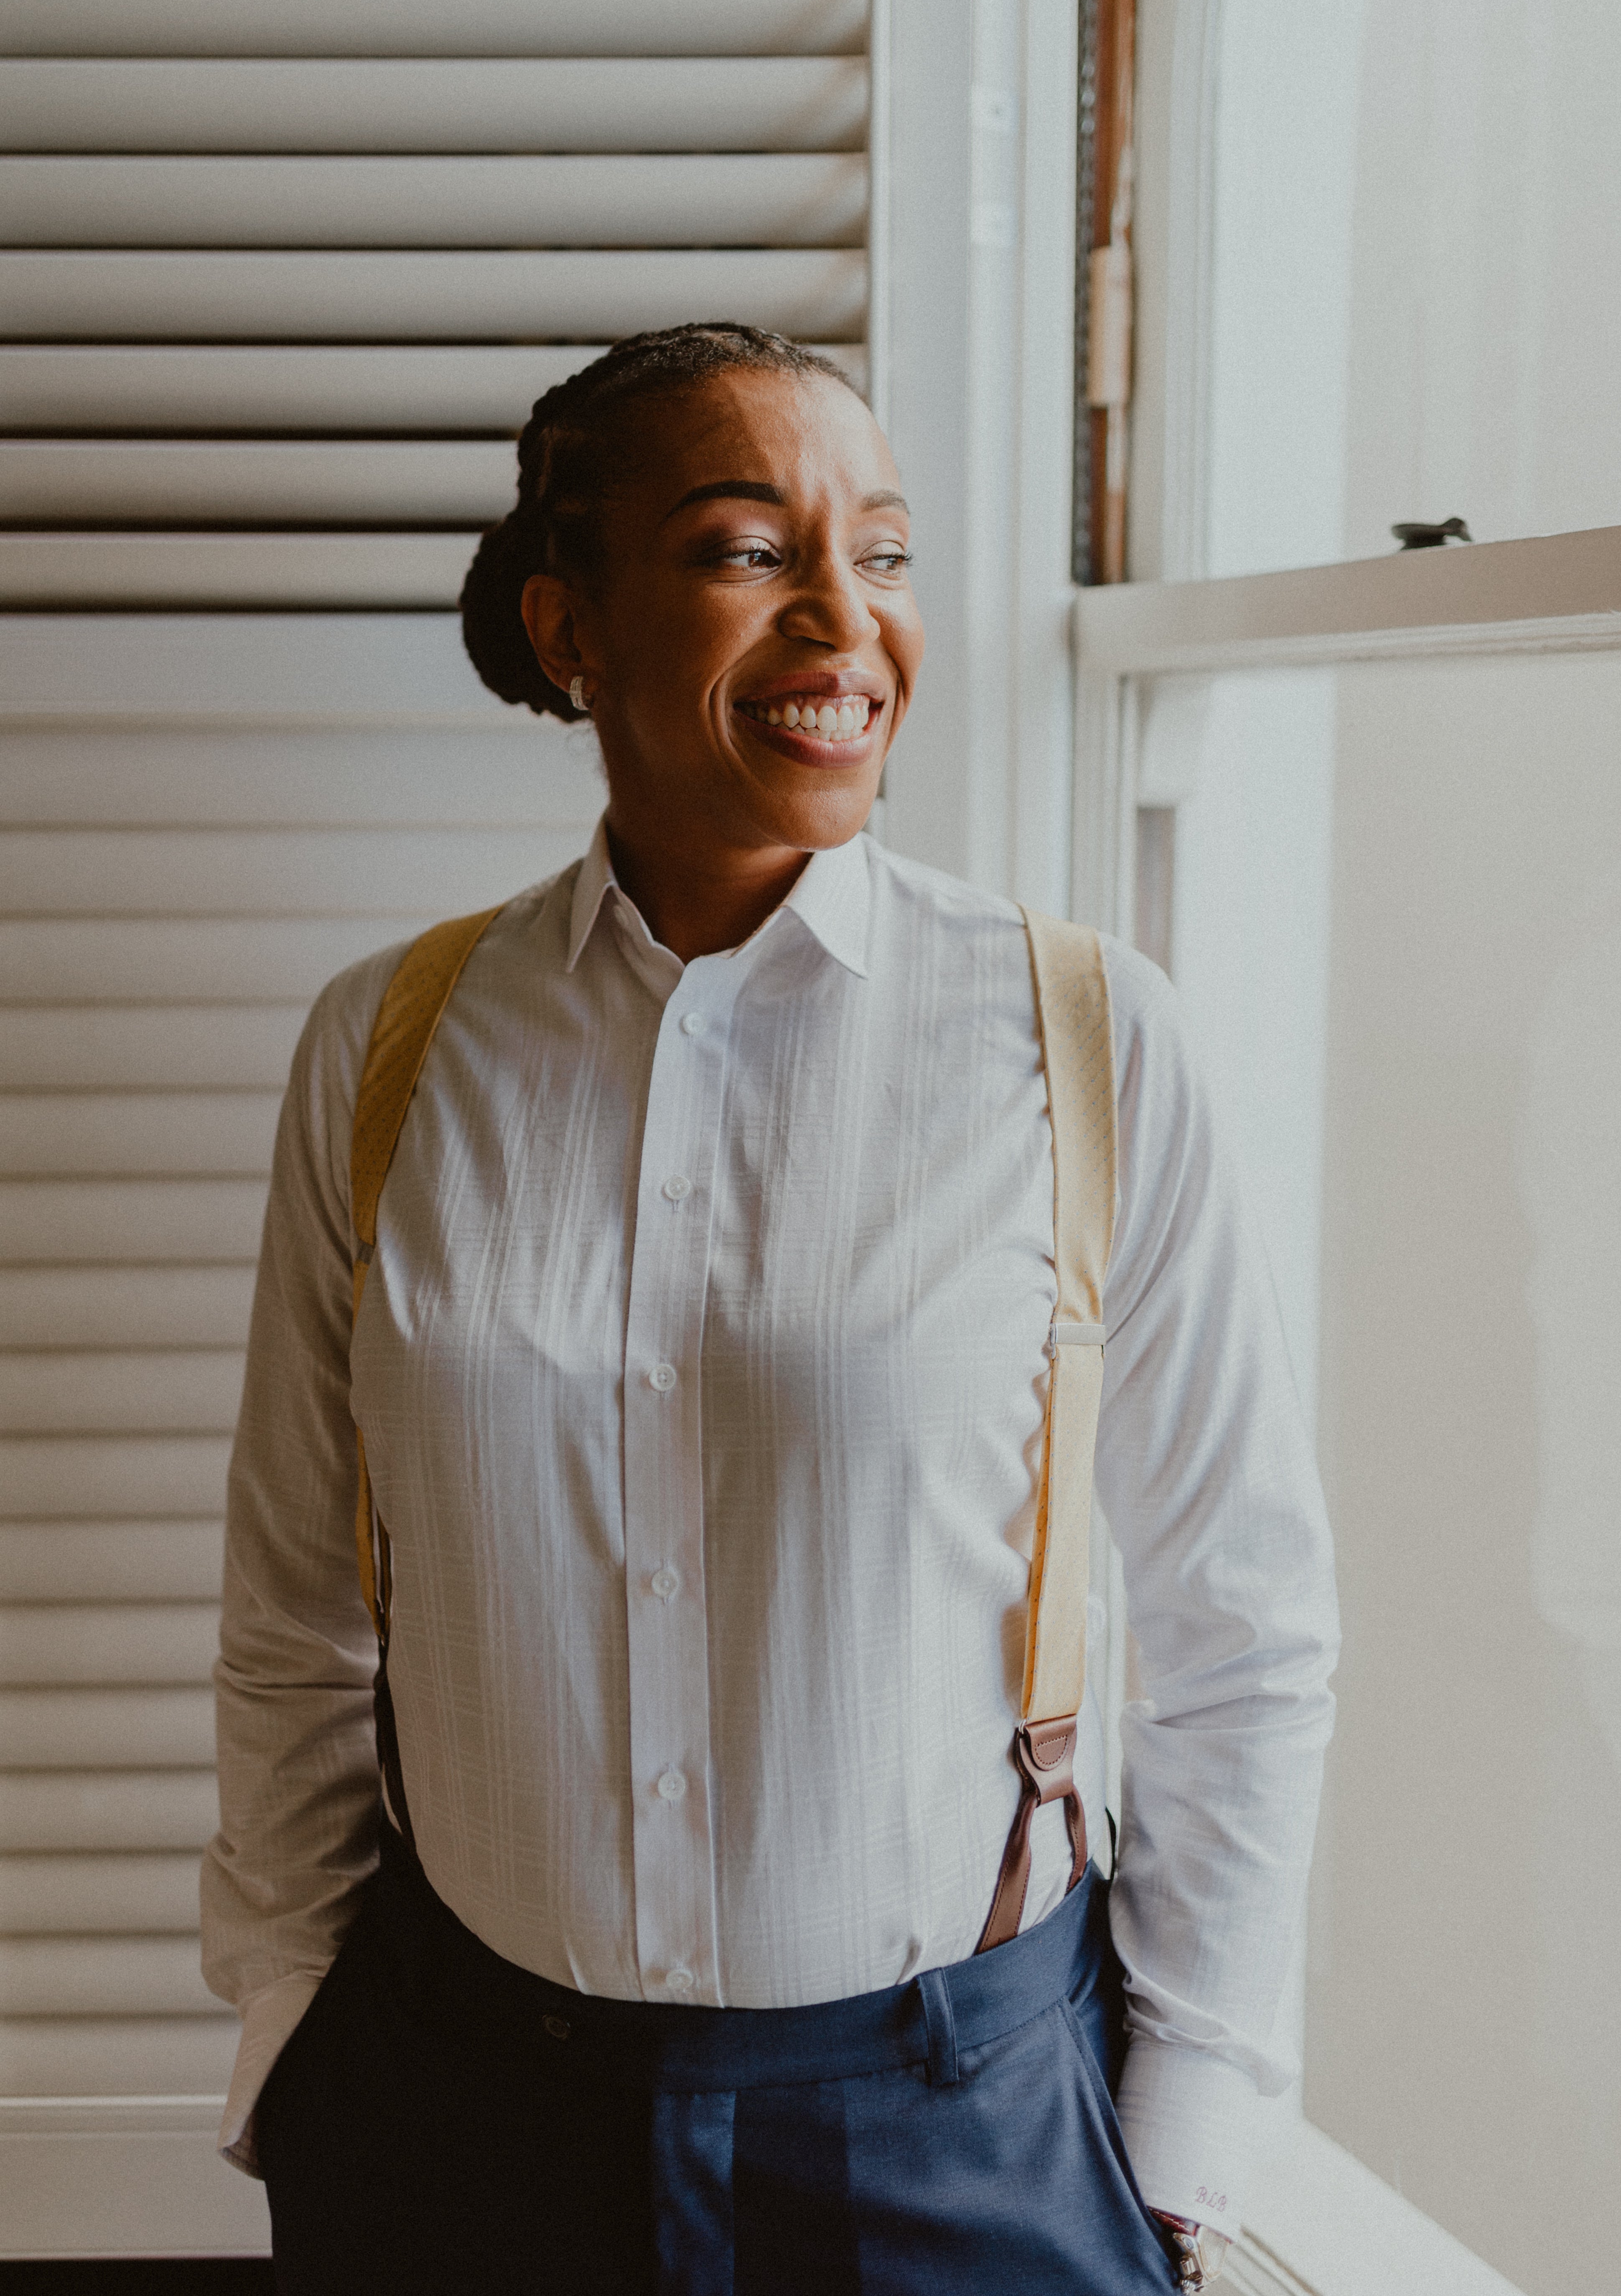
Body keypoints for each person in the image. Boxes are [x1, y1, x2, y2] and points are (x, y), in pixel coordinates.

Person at [202, 323, 1338, 2293]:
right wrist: (293, 2034)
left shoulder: (1081, 1037)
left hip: (960, 2129)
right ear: (571, 628)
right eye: (747, 548)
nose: (843, 617)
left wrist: (1176, 2145)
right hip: (456, 2119)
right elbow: (293, 1605)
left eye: (881, 551)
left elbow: (1243, 1627)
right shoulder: (388, 1045)